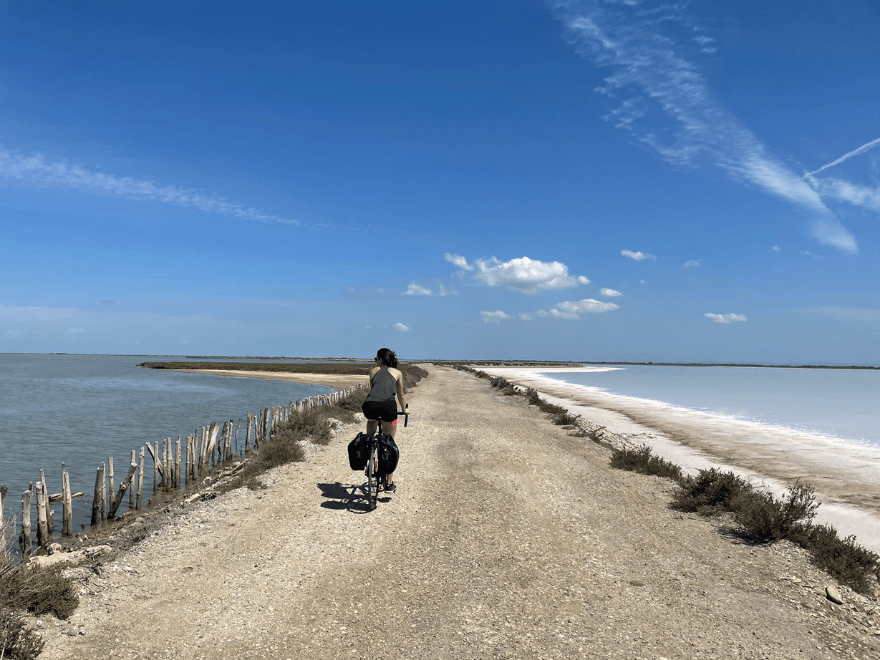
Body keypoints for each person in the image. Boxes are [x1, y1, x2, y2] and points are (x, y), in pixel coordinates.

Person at [362, 347, 406, 493]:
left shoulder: (373, 371)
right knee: (389, 443)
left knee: (372, 421)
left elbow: (373, 391)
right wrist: (405, 410)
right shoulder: (398, 373)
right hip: (388, 407)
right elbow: (400, 395)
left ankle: (369, 445)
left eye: (376, 359)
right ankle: (389, 483)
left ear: (380, 359)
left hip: (370, 406)